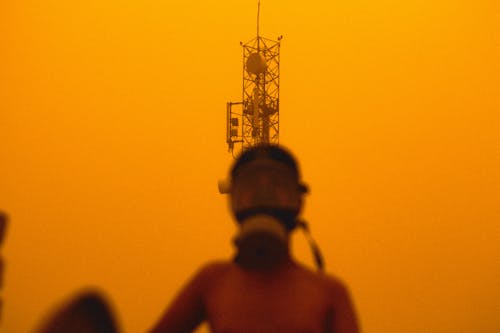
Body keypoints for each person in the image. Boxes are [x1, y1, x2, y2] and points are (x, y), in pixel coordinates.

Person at [149, 144, 360, 333]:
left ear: (298, 201)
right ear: (234, 199)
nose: (264, 198)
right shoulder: (212, 282)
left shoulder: (329, 293)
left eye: (277, 188)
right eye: (251, 188)